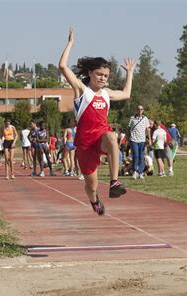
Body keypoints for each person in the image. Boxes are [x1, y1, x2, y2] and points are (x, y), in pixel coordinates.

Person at [59, 27, 135, 215]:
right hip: (85, 144)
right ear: (91, 73)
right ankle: (94, 200)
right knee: (91, 185)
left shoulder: (107, 94)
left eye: (106, 76)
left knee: (111, 136)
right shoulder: (82, 91)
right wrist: (70, 44)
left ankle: (114, 181)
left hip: (101, 137)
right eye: (100, 74)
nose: (103, 78)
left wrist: (130, 73)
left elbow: (126, 94)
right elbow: (62, 66)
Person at [128, 105, 152, 180]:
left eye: (141, 109)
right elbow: (129, 128)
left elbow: (148, 129)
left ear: (143, 110)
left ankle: (140, 172)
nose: (140, 110)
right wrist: (128, 138)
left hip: (142, 140)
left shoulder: (145, 119)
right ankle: (135, 171)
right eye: (138, 109)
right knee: (136, 156)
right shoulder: (132, 118)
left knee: (141, 156)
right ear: (136, 110)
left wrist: (150, 139)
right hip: (134, 139)